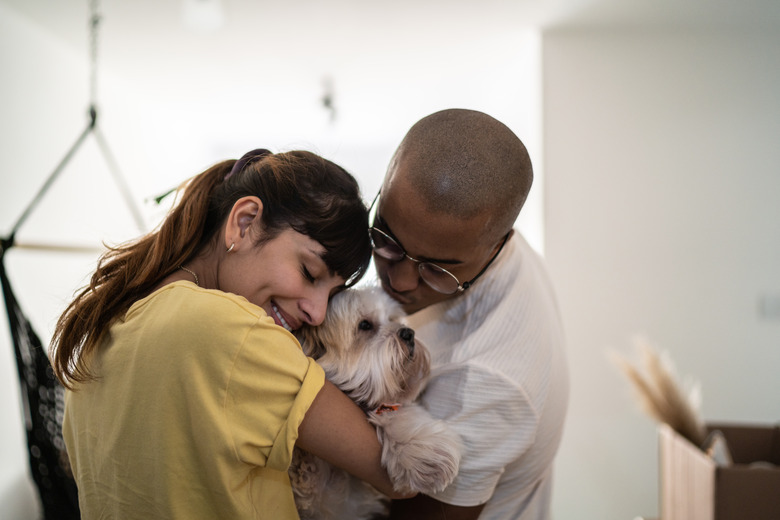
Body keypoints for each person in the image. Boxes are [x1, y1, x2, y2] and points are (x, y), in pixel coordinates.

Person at [49, 149, 412, 519]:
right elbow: (404, 473)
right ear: (244, 221)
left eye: (332, 295)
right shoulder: (237, 332)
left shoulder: (104, 327)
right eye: (309, 272)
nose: (317, 312)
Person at [370, 109, 569, 520]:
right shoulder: (470, 233)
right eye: (385, 237)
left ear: (497, 245)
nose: (401, 281)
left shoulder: (487, 380)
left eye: (435, 268)